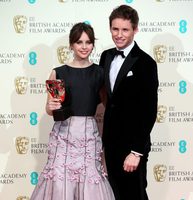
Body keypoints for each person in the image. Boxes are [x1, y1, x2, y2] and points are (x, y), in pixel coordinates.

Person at [30, 22, 115, 200]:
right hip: (63, 135)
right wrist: (50, 107)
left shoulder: (100, 73)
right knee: (59, 179)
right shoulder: (58, 72)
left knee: (89, 178)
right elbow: (50, 108)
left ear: (93, 44)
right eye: (79, 42)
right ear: (71, 45)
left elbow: (110, 106)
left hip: (88, 136)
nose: (84, 47)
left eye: (88, 42)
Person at [99, 5, 158, 200]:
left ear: (135, 29)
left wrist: (136, 151)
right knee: (115, 194)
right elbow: (105, 96)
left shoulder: (146, 63)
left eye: (125, 29)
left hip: (132, 145)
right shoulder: (106, 56)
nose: (119, 34)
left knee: (135, 195)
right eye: (115, 29)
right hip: (111, 141)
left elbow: (149, 110)